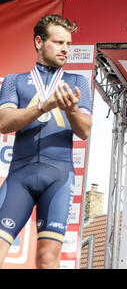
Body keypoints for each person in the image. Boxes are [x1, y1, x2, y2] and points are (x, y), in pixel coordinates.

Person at [0, 14, 92, 268]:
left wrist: (71, 109)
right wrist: (43, 106)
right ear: (39, 42)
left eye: (69, 44)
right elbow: (4, 122)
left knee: (47, 259)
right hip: (20, 176)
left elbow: (84, 131)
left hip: (58, 178)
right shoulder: (14, 81)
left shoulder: (77, 82)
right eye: (59, 42)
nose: (65, 49)